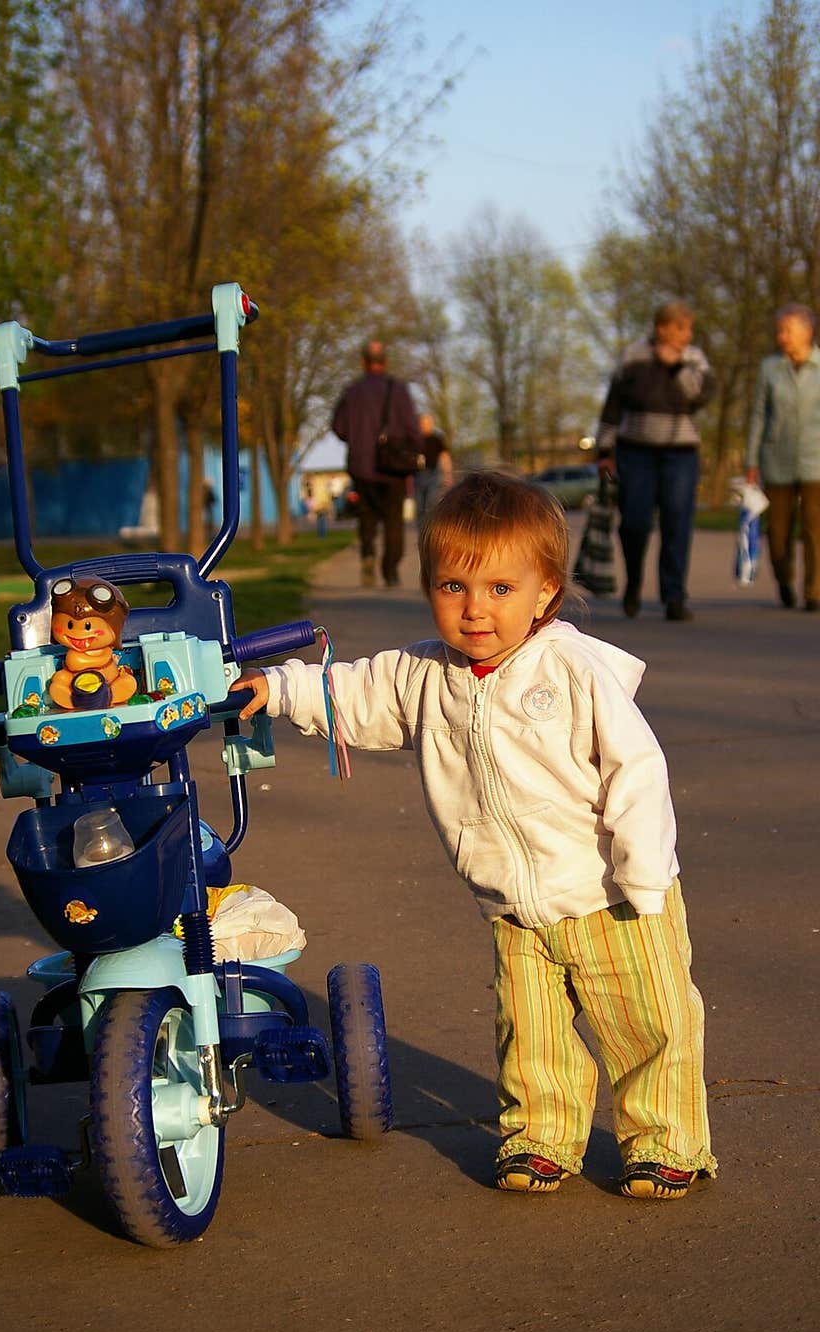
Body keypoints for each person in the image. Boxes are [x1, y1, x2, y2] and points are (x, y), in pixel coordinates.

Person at [231, 470, 717, 1201]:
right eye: (453, 587)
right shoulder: (426, 674)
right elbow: (352, 689)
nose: (475, 610)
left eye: (500, 589)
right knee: (533, 1036)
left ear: (545, 591)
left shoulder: (572, 668)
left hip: (612, 893)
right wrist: (279, 687)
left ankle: (666, 1141)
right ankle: (543, 1137)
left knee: (650, 1024)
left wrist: (643, 874)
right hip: (512, 904)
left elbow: (637, 769)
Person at [595, 300, 716, 622]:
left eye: (689, 328)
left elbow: (699, 397)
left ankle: (674, 596)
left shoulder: (694, 359)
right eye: (680, 328)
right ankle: (634, 582)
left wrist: (676, 367)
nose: (686, 335)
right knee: (634, 522)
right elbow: (612, 406)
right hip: (636, 452)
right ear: (661, 328)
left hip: (681, 453)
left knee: (678, 522)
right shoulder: (633, 356)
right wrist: (604, 452)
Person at [745, 302, 820, 611]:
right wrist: (751, 460)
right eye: (780, 330)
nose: (782, 336)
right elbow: (759, 415)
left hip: (815, 459)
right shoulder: (769, 368)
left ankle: (814, 592)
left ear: (806, 331)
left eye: (787, 330)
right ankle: (785, 579)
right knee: (777, 533)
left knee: (815, 528)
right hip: (776, 459)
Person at [331, 339, 421, 588]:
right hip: (393, 468)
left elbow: (337, 427)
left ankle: (368, 553)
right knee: (394, 520)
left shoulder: (352, 392)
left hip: (362, 467)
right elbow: (413, 429)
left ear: (363, 362)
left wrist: (357, 439)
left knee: (367, 516)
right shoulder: (398, 390)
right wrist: (412, 450)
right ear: (385, 362)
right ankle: (390, 571)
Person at [414, 412, 453, 525]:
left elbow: (445, 456)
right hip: (417, 475)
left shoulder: (437, 439)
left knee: (431, 503)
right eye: (423, 423)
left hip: (433, 474)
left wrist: (448, 474)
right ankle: (421, 532)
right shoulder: (415, 439)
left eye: (428, 423)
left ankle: (430, 529)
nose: (425, 425)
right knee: (419, 505)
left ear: (432, 424)